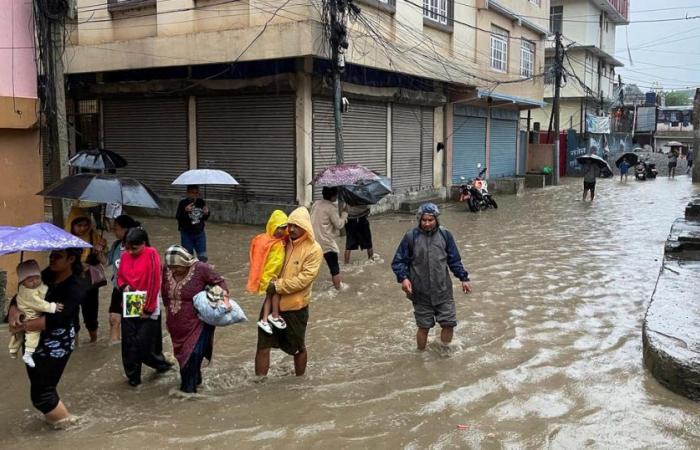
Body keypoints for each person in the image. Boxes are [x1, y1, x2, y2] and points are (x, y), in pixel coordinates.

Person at [7, 248, 88, 427]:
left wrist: (23, 326)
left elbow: (58, 318)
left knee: (42, 395)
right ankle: (57, 424)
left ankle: (71, 429)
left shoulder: (77, 285)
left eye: (57, 257)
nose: (52, 259)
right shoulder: (46, 274)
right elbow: (20, 295)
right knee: (39, 385)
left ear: (71, 259)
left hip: (57, 343)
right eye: (51, 255)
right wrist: (13, 310)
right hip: (33, 340)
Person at [391, 203, 472, 351]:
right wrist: (404, 278)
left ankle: (444, 351)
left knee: (449, 323)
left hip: (443, 290)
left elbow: (454, 260)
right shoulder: (411, 237)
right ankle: (420, 356)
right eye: (424, 220)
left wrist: (463, 278)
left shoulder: (445, 235)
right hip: (420, 292)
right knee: (424, 327)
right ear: (419, 220)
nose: (427, 223)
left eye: (431, 220)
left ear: (436, 219)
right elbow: (398, 261)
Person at [255, 207, 322, 377]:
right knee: (262, 346)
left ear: (305, 226)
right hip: (271, 305)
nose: (291, 229)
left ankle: (299, 382)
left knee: (298, 348)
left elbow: (305, 279)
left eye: (296, 226)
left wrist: (277, 286)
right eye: (289, 225)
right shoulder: (281, 242)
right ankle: (259, 383)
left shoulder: (314, 250)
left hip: (295, 307)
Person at [161, 245, 230, 393]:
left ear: (185, 262)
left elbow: (220, 282)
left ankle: (187, 394)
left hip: (197, 323)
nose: (173, 270)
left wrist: (224, 300)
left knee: (192, 357)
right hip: (176, 325)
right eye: (171, 267)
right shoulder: (166, 270)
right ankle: (196, 384)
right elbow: (165, 296)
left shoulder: (200, 268)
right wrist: (167, 318)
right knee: (182, 359)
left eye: (176, 267)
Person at [116, 228, 173, 387]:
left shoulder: (151, 254)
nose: (130, 251)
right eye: (127, 247)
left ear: (144, 243)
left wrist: (148, 309)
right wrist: (124, 286)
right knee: (128, 344)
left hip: (149, 304)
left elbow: (155, 281)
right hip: (130, 302)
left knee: (144, 345)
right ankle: (133, 379)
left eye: (134, 248)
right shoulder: (125, 256)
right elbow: (120, 277)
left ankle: (161, 364)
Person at [9, 260, 64, 367]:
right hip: (29, 317)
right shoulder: (28, 293)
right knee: (33, 335)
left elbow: (41, 288)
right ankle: (28, 354)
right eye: (30, 280)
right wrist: (53, 306)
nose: (34, 282)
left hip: (24, 315)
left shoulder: (27, 287)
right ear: (22, 282)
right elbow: (39, 304)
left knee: (18, 336)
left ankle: (13, 349)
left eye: (37, 278)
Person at [66, 208, 107, 343]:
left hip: (89, 284)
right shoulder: (64, 239)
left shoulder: (94, 237)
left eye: (85, 225)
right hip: (71, 284)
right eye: (79, 225)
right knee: (72, 314)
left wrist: (98, 251)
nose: (83, 229)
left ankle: (93, 341)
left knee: (91, 314)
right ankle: (75, 343)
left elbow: (105, 262)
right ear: (71, 224)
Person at [246, 210, 289, 335]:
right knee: (273, 294)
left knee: (270, 296)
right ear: (272, 226)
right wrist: (264, 278)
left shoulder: (281, 240)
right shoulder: (265, 241)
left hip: (274, 276)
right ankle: (272, 316)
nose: (281, 231)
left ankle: (266, 319)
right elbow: (258, 260)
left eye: (283, 228)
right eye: (278, 228)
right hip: (268, 276)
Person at [106, 215, 141, 344]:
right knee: (113, 319)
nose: (114, 231)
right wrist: (99, 251)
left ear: (126, 230)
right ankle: (114, 345)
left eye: (116, 229)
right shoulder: (116, 245)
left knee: (133, 324)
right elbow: (106, 262)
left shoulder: (138, 246)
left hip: (133, 291)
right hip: (118, 288)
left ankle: (133, 348)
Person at [310, 187, 348, 290]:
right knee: (334, 268)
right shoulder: (331, 208)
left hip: (312, 241)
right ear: (333, 196)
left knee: (310, 268)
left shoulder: (316, 204)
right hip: (326, 242)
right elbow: (339, 225)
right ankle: (338, 288)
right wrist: (344, 214)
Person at [176, 185, 210, 262]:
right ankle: (190, 273)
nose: (194, 195)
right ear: (187, 193)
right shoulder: (182, 203)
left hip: (200, 234)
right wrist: (185, 211)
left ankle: (201, 273)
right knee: (188, 259)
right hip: (186, 234)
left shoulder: (201, 202)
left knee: (203, 258)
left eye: (196, 193)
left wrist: (206, 213)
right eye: (192, 193)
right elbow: (178, 217)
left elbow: (204, 218)